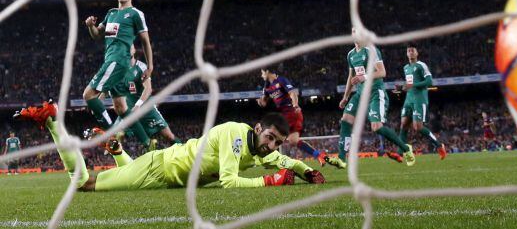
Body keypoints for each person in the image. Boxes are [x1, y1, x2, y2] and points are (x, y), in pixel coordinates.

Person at [14, 100, 325, 191]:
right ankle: (53, 121)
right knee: (84, 184)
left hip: (165, 170)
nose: (272, 146)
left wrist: (305, 170)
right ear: (258, 129)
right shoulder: (236, 135)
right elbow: (230, 181)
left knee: (127, 174)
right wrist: (269, 182)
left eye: (277, 142)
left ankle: (118, 152)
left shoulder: (259, 148)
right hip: (161, 169)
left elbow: (282, 162)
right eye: (270, 137)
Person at [325, 28, 415, 169]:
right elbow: (351, 77)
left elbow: (382, 72)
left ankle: (405, 148)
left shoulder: (371, 50)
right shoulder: (350, 55)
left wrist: (364, 77)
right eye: (353, 32)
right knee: (345, 119)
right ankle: (342, 159)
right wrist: (346, 97)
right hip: (360, 94)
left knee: (376, 127)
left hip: (375, 93)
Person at [82, 0, 154, 150]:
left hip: (118, 60)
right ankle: (148, 143)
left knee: (88, 95)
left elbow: (145, 41)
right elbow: (97, 35)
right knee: (121, 107)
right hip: (111, 60)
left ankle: (110, 134)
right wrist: (90, 26)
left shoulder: (135, 14)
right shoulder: (111, 13)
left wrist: (150, 66)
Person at [90, 45, 181, 150]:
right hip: (127, 110)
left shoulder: (141, 67)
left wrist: (138, 105)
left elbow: (148, 89)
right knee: (115, 137)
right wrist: (97, 105)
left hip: (146, 108)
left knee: (169, 136)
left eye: (130, 46)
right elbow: (106, 90)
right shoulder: (116, 70)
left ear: (134, 50)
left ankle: (183, 151)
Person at [257, 68, 326, 165]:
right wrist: (260, 102)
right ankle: (319, 155)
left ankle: (264, 159)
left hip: (291, 112)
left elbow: (292, 93)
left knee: (271, 132)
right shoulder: (267, 86)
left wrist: (295, 105)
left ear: (267, 71)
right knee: (293, 140)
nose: (261, 75)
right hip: (285, 114)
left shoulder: (281, 80)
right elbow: (263, 103)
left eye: (262, 73)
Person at [396, 45, 446, 160]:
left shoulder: (421, 65)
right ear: (406, 54)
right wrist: (403, 87)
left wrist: (413, 85)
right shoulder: (405, 68)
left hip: (419, 99)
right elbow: (410, 84)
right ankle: (400, 153)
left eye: (412, 50)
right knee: (403, 125)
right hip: (408, 99)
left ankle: (439, 145)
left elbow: (429, 81)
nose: (410, 52)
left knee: (418, 127)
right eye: (408, 51)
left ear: (417, 53)